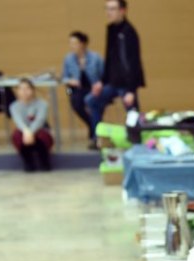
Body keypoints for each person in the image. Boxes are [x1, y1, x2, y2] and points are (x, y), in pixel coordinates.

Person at [86, 0, 144, 133]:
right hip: (112, 83)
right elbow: (109, 59)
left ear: (122, 11)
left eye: (112, 9)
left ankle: (136, 139)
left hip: (127, 84)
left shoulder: (129, 32)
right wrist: (102, 81)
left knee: (132, 114)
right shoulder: (111, 29)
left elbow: (134, 63)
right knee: (91, 100)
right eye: (107, 9)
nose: (108, 12)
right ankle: (99, 137)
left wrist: (131, 90)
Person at [61, 31, 105, 149]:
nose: (72, 46)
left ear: (83, 43)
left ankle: (95, 136)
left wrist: (99, 85)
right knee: (75, 101)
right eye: (70, 43)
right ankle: (93, 126)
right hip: (75, 89)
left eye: (74, 43)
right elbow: (63, 77)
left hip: (94, 89)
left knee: (94, 103)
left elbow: (104, 76)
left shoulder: (96, 57)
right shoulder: (68, 59)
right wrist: (71, 81)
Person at [9, 79, 54, 172]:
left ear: (33, 90)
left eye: (27, 88)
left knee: (42, 135)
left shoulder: (42, 104)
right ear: (17, 91)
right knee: (17, 136)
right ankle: (28, 162)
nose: (24, 91)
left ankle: (45, 162)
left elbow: (40, 120)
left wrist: (30, 132)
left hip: (39, 131)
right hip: (24, 133)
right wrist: (26, 131)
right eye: (21, 89)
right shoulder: (13, 106)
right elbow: (18, 121)